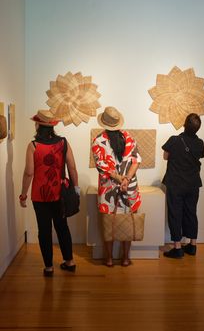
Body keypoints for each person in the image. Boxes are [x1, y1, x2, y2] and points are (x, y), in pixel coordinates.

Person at [19, 110, 79, 276]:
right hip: (60, 193)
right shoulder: (63, 143)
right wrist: (76, 188)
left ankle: (49, 267)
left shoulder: (33, 146)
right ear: (53, 126)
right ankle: (70, 262)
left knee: (44, 230)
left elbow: (29, 173)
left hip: (40, 196)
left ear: (37, 125)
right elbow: (72, 167)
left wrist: (23, 194)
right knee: (62, 227)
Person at [92, 106, 142, 267]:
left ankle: (109, 259)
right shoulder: (129, 137)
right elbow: (136, 161)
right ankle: (126, 258)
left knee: (109, 223)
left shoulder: (98, 141)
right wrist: (126, 179)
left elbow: (103, 168)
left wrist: (120, 179)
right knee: (127, 220)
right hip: (129, 187)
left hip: (109, 189)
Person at [162, 113, 204, 259]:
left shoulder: (174, 140)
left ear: (184, 124)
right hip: (193, 184)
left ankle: (178, 248)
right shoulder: (200, 143)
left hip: (176, 183)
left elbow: (165, 156)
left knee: (175, 213)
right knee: (191, 212)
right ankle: (192, 245)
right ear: (198, 128)